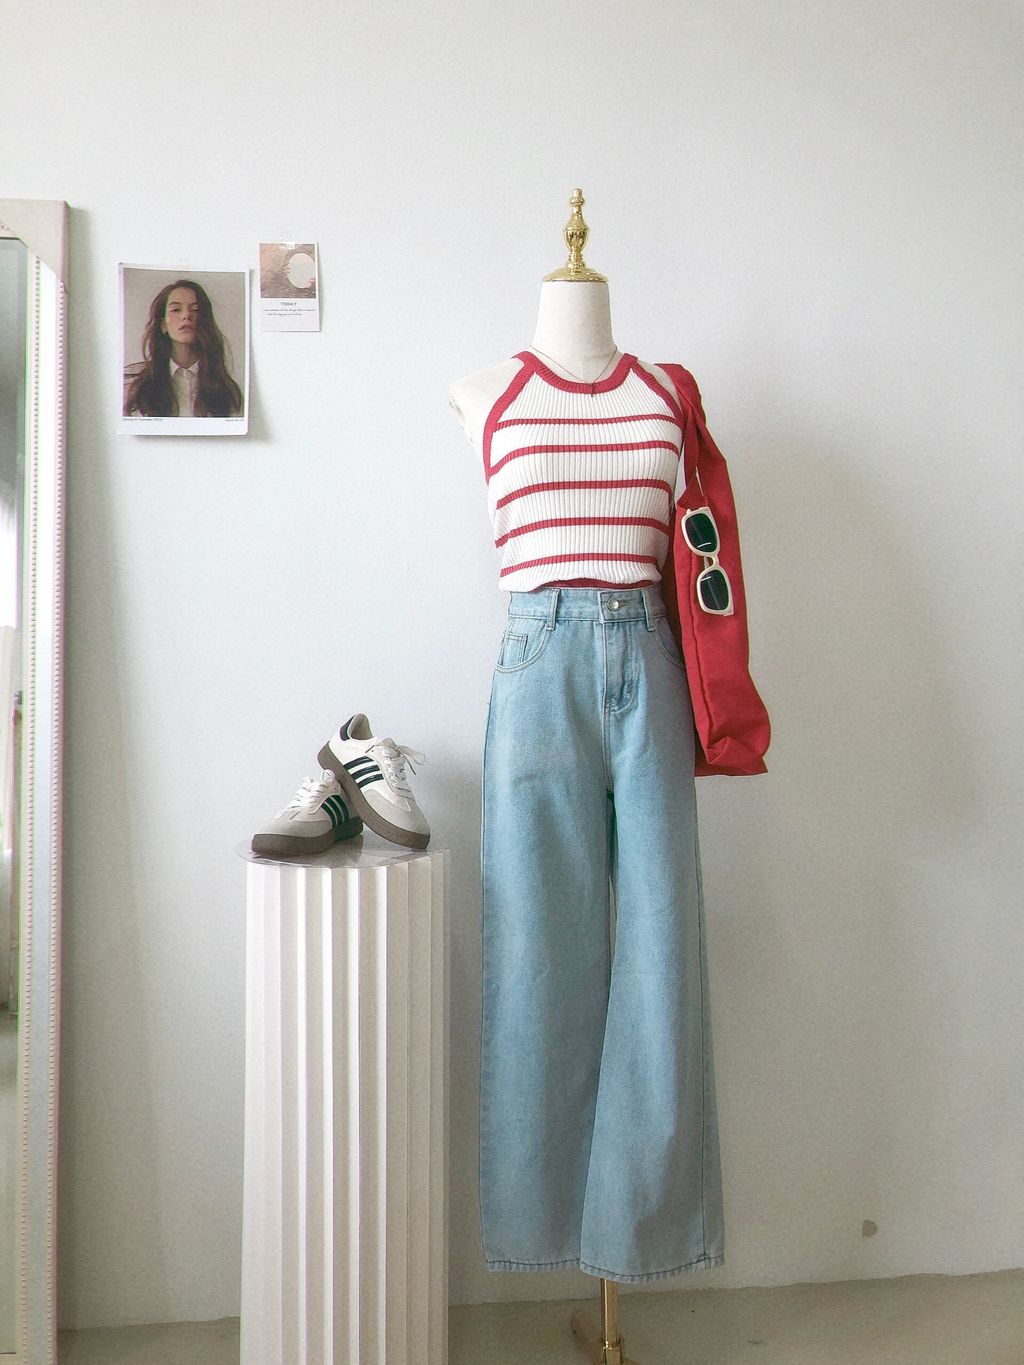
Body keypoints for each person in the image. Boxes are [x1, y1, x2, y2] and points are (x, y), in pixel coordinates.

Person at [123, 279, 242, 418]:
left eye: (196, 310)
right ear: (163, 325)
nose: (186, 316)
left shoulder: (225, 389)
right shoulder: (133, 382)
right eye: (176, 310)